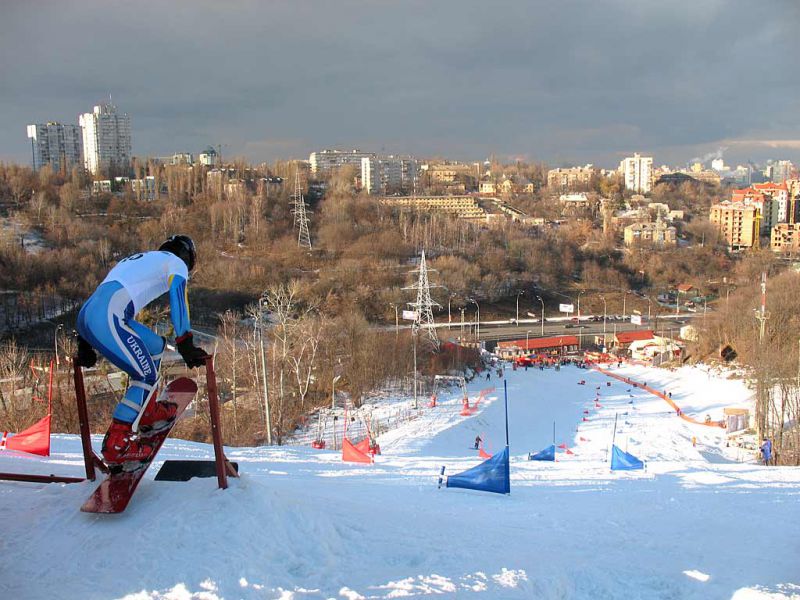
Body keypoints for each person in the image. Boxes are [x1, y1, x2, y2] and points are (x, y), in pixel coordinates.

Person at [75, 235, 210, 464]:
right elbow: (178, 299)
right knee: (146, 376)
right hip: (109, 318)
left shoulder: (134, 260)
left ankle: (147, 412)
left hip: (88, 317)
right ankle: (116, 443)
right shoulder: (176, 263)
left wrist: (85, 340)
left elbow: (101, 297)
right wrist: (185, 342)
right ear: (187, 256)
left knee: (156, 346)